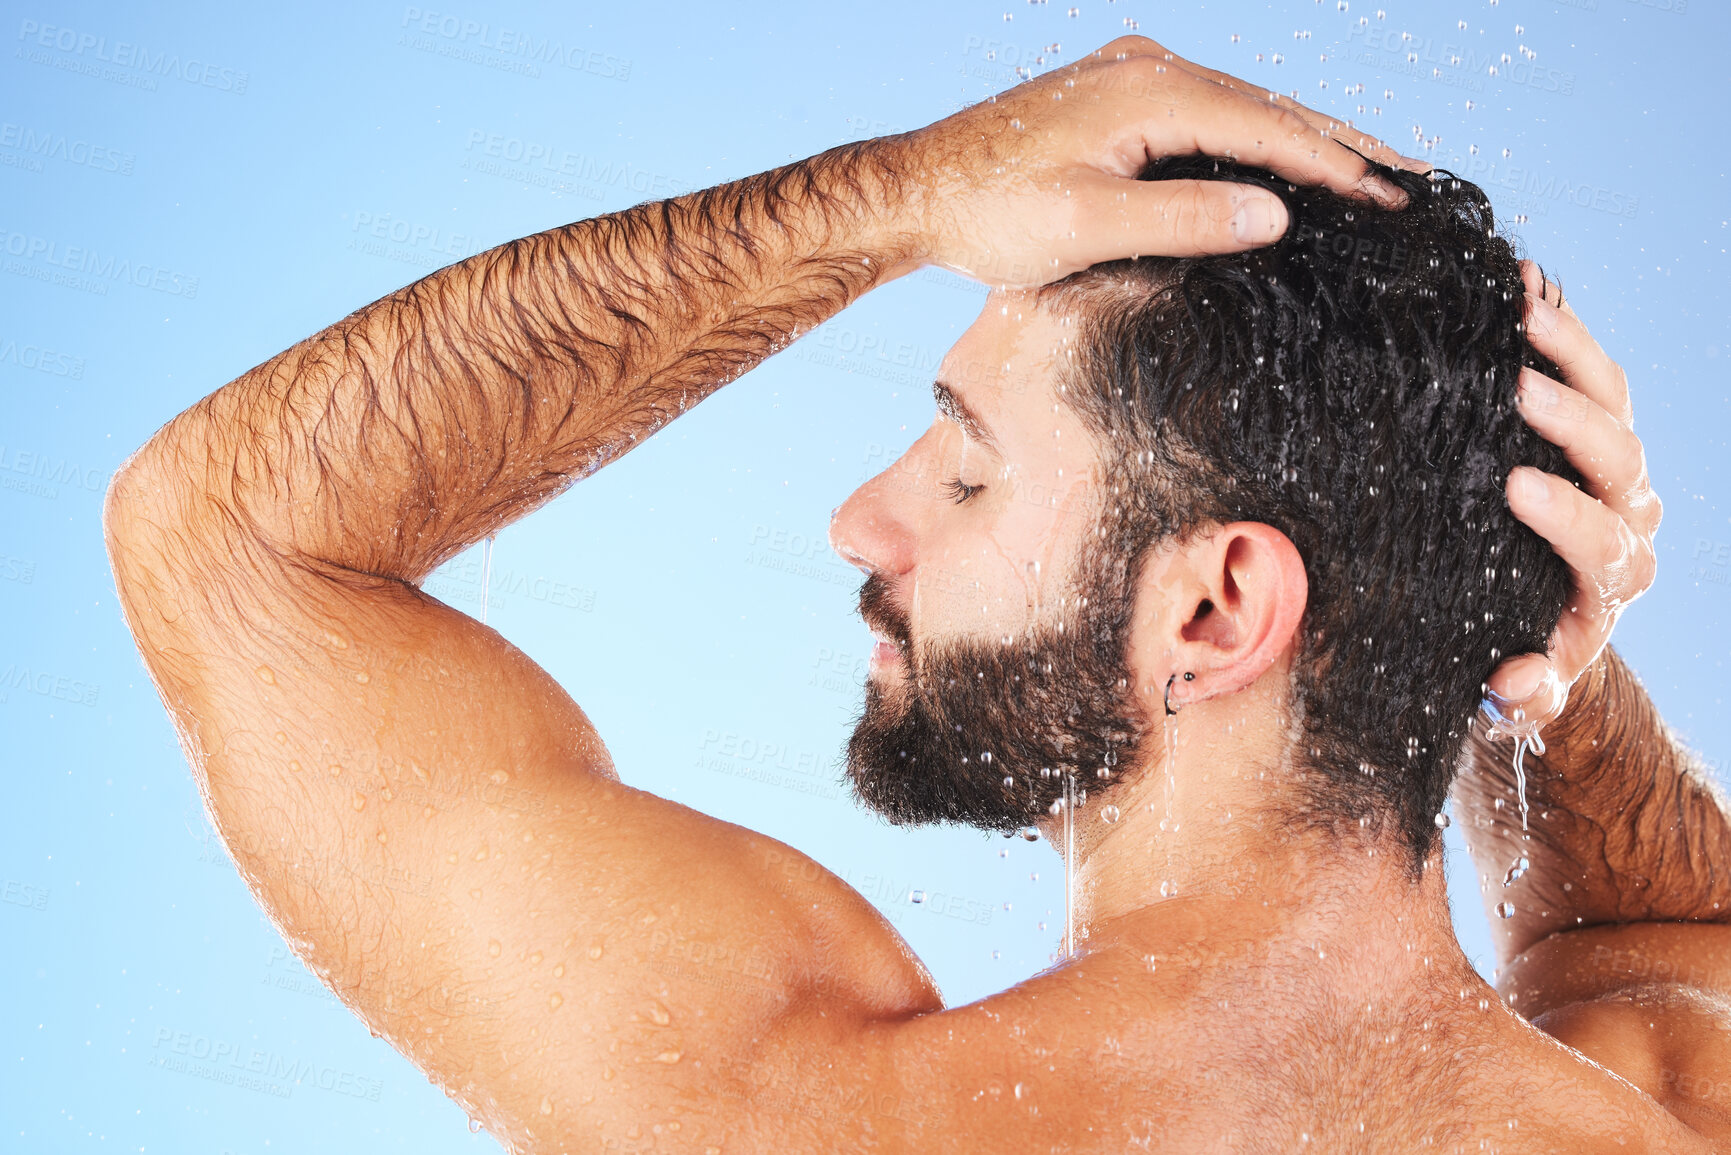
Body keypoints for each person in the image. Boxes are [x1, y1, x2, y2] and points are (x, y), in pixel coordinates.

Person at [101, 35, 1725, 1152]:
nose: (860, 521)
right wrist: (1508, 625)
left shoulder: (794, 1112)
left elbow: (231, 538)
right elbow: (1670, 931)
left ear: (1216, 614)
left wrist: (892, 197)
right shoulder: (1673, 1099)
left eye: (967, 473)